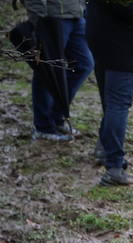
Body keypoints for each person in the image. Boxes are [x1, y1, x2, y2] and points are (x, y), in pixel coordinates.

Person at [86, 0, 133, 186]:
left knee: (112, 102)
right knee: (118, 105)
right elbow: (132, 11)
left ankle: (106, 152)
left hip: (103, 39)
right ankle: (114, 168)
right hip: (122, 45)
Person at [23, 0, 94, 141]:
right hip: (51, 16)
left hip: (77, 14)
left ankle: (57, 115)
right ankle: (43, 127)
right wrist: (38, 18)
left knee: (84, 65)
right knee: (46, 69)